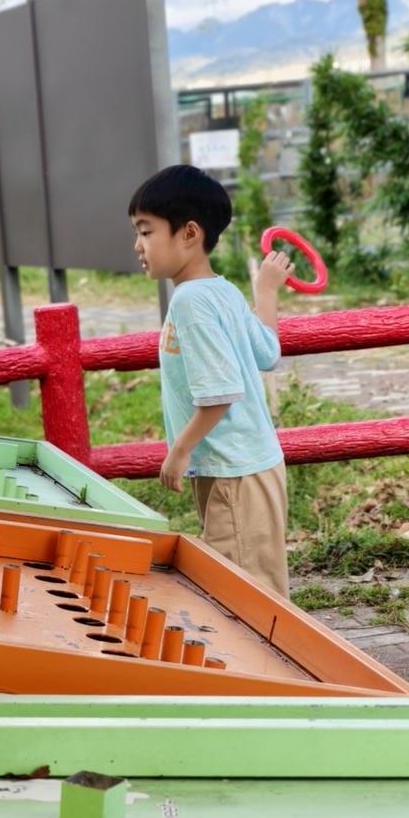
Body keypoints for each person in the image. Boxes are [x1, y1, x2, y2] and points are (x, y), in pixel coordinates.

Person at [128, 163, 295, 598]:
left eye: (146, 232)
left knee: (242, 601)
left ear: (188, 234)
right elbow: (267, 352)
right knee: (251, 591)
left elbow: (220, 393)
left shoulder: (190, 301)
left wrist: (178, 452)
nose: (138, 245)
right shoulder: (221, 290)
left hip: (232, 471)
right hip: (243, 465)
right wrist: (267, 292)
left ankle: (269, 669)